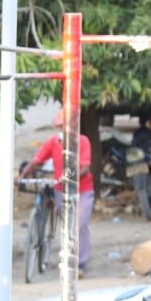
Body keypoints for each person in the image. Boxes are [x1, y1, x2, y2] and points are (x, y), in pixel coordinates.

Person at [17, 107, 94, 275]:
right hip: (61, 190)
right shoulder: (53, 143)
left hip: (83, 190)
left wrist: (71, 177)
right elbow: (37, 161)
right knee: (67, 226)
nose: (62, 130)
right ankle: (69, 258)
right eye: (59, 127)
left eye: (65, 126)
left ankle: (80, 263)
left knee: (79, 224)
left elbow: (86, 168)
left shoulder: (83, 141)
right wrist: (23, 174)